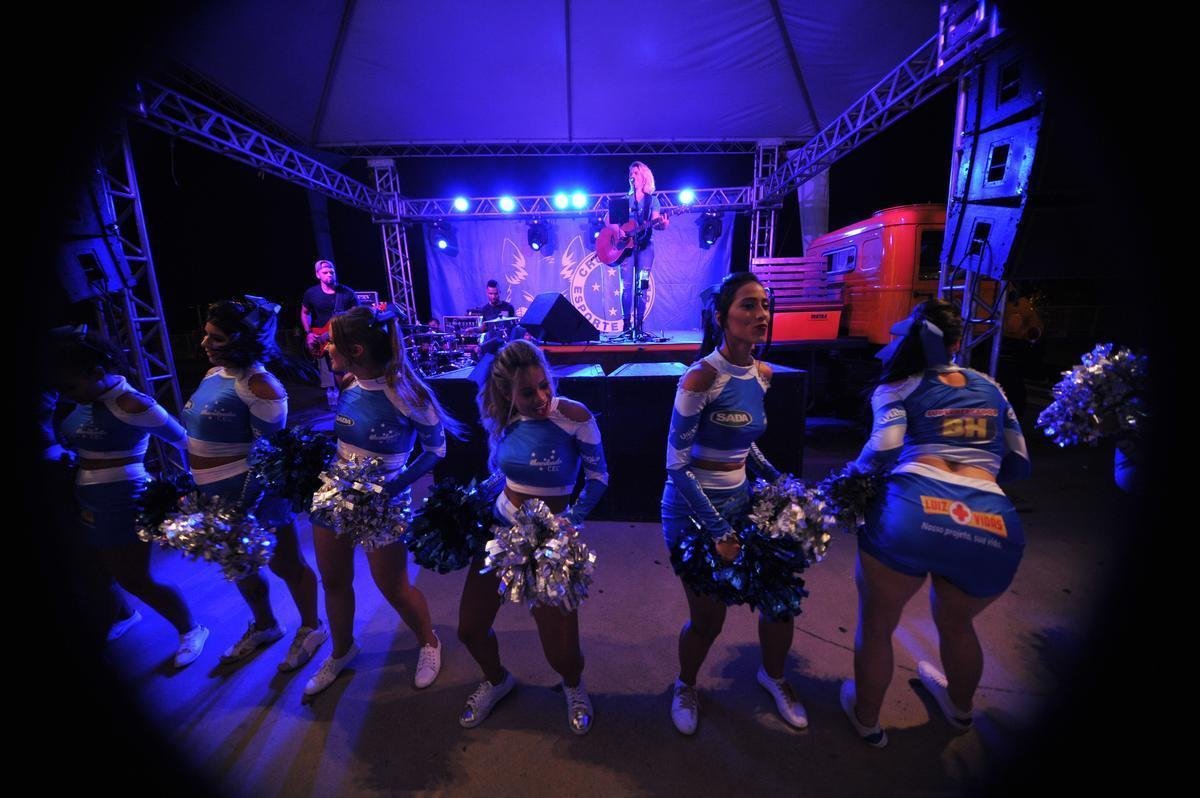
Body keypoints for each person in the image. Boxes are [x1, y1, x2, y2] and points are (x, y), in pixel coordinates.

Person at [840, 298, 1030, 748]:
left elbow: (884, 447)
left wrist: (849, 483)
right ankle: (960, 711)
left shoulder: (898, 386)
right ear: (958, 342)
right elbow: (1020, 463)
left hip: (912, 511)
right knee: (959, 624)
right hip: (992, 523)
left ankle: (867, 720)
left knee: (879, 622)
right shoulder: (991, 387)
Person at [661, 271, 808, 735]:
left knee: (780, 597)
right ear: (721, 315)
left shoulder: (763, 375)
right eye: (748, 305)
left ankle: (775, 675)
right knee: (709, 619)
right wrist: (720, 532)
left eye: (765, 305)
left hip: (743, 503)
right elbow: (676, 466)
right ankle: (685, 685)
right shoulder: (700, 376)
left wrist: (780, 482)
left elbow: (744, 446)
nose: (760, 314)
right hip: (692, 512)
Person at [304, 304, 460, 697]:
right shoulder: (347, 384)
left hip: (383, 503)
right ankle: (341, 651)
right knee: (334, 579)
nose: (326, 348)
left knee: (393, 586)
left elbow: (435, 451)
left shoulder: (409, 393)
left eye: (333, 343)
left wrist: (391, 488)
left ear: (356, 349)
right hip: (334, 494)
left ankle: (429, 641)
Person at [456, 339, 608, 735]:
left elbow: (598, 479)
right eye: (528, 391)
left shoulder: (574, 416)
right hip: (498, 530)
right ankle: (496, 679)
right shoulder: (503, 417)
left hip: (550, 544)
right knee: (470, 628)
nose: (541, 397)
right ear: (507, 392)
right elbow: (509, 475)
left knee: (561, 650)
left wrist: (568, 521)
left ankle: (573, 686)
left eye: (545, 385)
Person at [50, 326, 209, 667]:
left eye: (71, 386)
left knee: (135, 578)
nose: (67, 394)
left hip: (125, 500)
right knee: (97, 571)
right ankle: (124, 616)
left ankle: (191, 629)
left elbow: (184, 441)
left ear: (97, 372)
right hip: (87, 499)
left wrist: (199, 489)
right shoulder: (85, 399)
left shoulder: (133, 403)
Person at [184, 296, 327, 672]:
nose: (205, 344)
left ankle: (312, 627)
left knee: (287, 565)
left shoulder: (262, 386)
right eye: (206, 335)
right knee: (240, 566)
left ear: (242, 339)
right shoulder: (213, 375)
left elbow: (269, 458)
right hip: (215, 497)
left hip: (255, 497)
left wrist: (244, 506)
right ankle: (265, 625)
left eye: (215, 338)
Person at [604, 161, 669, 338]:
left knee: (643, 285)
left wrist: (662, 224)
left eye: (636, 173)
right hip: (626, 249)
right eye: (631, 173)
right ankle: (626, 326)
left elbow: (656, 222)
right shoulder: (625, 200)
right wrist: (618, 231)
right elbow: (607, 220)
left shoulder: (652, 200)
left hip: (646, 247)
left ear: (644, 177)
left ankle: (639, 326)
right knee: (626, 286)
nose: (632, 176)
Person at [300, 259, 359, 408]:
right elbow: (305, 313)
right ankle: (344, 400)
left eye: (331, 272)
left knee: (349, 368)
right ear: (318, 275)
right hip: (322, 338)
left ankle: (353, 399)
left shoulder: (347, 293)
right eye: (325, 272)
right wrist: (308, 333)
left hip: (344, 336)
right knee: (336, 371)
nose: (329, 274)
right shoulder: (311, 293)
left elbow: (357, 314)